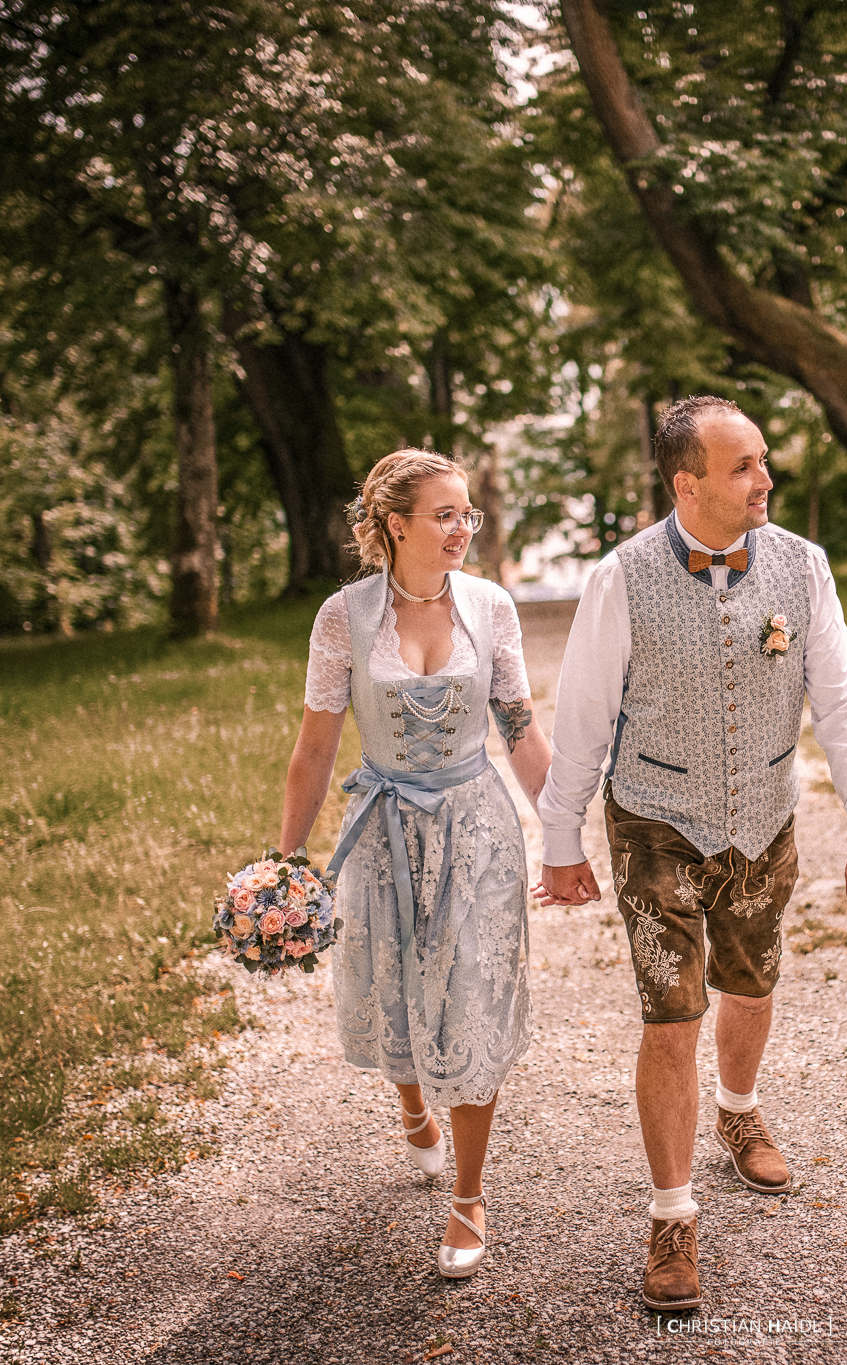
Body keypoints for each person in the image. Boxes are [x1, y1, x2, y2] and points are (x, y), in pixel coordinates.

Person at [534, 396, 847, 1312]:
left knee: (752, 983)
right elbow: (580, 717)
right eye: (744, 468)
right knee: (671, 1015)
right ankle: (672, 1215)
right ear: (686, 482)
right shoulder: (621, 578)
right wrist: (560, 838)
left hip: (763, 820)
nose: (765, 479)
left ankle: (737, 1113)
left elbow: (844, 705)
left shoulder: (802, 568)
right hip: (655, 820)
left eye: (764, 461)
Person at [276, 449, 550, 1280]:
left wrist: (567, 835)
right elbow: (315, 749)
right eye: (445, 514)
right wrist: (285, 867)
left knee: (471, 996)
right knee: (391, 985)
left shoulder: (492, 607)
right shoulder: (343, 617)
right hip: (385, 825)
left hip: (478, 830)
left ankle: (468, 1198)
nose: (463, 527)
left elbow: (520, 731)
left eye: (468, 513)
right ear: (396, 524)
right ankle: (411, 1106)